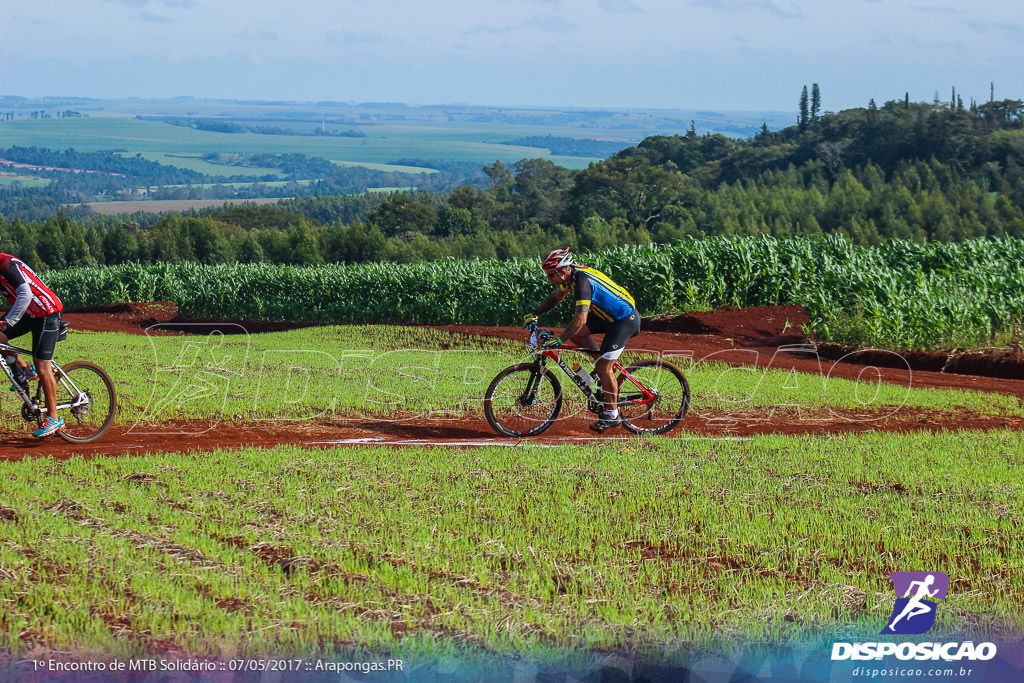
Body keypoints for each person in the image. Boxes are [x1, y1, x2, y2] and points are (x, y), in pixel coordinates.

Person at [524, 247, 640, 433]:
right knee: (579, 337)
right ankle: (603, 372)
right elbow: (556, 297)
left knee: (604, 366)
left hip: (624, 319)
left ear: (562, 271)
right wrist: (535, 313)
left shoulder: (581, 283)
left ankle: (613, 414)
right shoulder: (571, 277)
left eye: (550, 275)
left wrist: (560, 340)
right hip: (608, 316)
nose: (548, 279)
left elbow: (580, 320)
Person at [0, 243, 65, 437]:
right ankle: (25, 369)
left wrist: (8, 321)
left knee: (43, 364)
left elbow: (25, 293)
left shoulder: (4, 263)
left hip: (46, 310)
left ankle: (54, 418)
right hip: (29, 312)